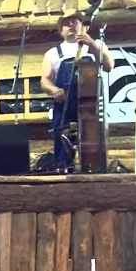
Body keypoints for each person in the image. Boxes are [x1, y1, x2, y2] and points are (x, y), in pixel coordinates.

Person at [41, 10, 113, 169]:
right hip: (64, 102)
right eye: (66, 23)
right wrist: (53, 90)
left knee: (92, 141)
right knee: (61, 140)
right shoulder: (53, 53)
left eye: (74, 22)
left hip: (89, 104)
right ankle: (63, 170)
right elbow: (45, 80)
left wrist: (92, 44)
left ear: (83, 26)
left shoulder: (96, 45)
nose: (70, 25)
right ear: (61, 30)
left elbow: (109, 66)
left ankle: (93, 170)